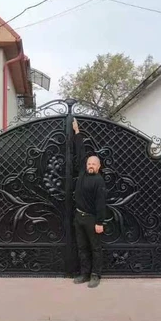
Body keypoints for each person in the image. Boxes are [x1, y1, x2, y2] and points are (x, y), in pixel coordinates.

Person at [72, 117, 106, 288]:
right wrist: (77, 132)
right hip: (79, 217)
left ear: (98, 166)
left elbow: (101, 204)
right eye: (89, 163)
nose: (90, 165)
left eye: (94, 163)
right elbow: (80, 151)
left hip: (92, 219)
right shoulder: (82, 172)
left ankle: (95, 275)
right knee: (82, 247)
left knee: (95, 248)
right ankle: (84, 274)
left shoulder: (99, 181)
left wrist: (100, 222)